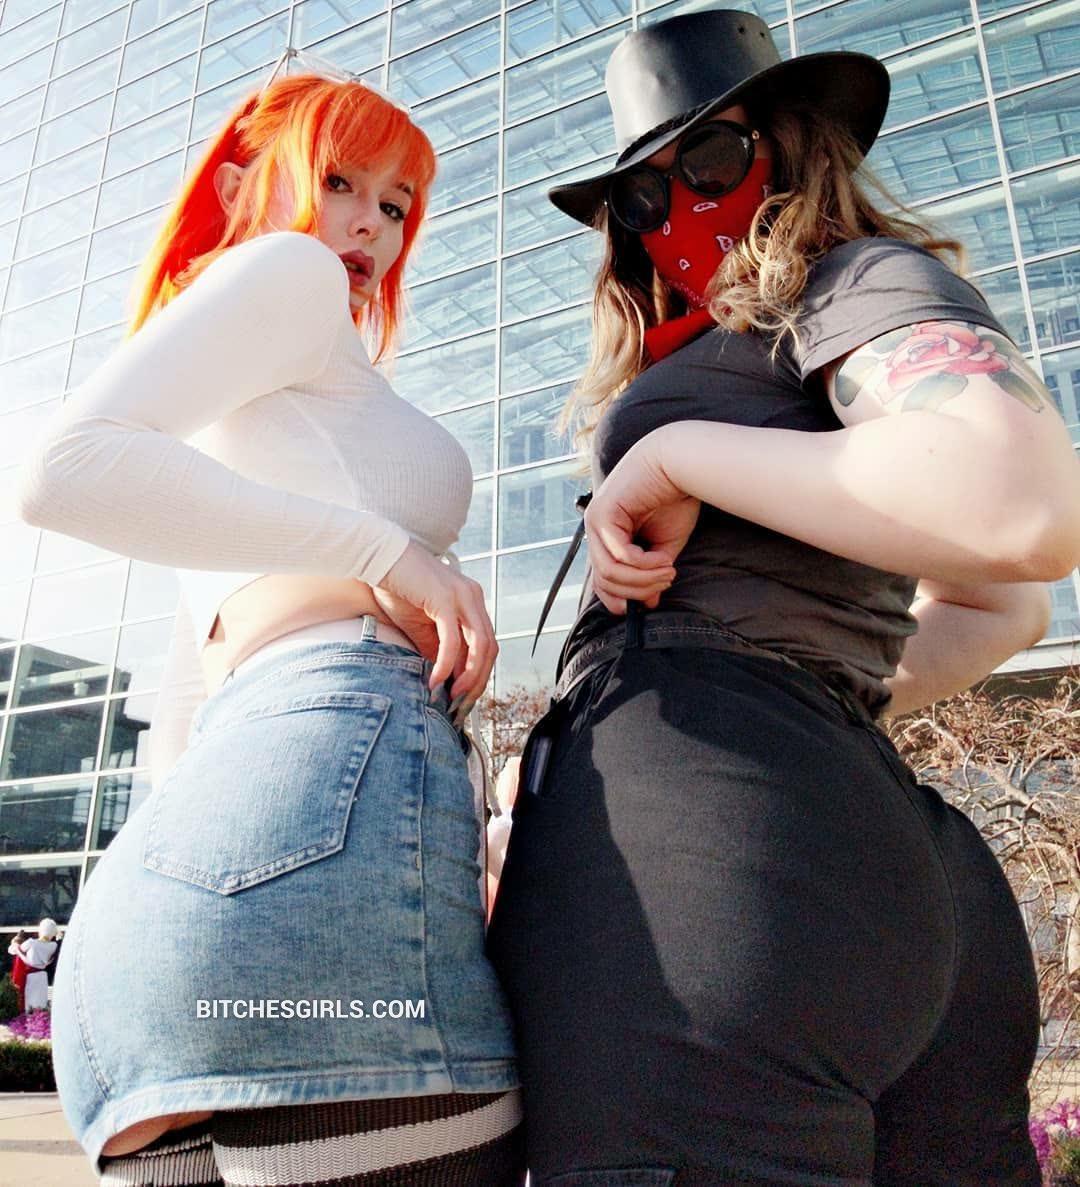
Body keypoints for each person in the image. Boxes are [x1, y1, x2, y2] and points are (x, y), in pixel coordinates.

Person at [486, 10, 1080, 1186]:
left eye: (710, 160)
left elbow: (1021, 507)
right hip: (831, 836)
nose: (678, 213)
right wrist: (794, 700)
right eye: (641, 199)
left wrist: (677, 459)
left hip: (719, 868)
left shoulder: (851, 277)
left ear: (797, 147)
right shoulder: (748, 343)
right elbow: (1002, 611)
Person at [16, 47, 523, 1187]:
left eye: (397, 204)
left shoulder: (249, 410)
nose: (369, 223)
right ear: (244, 184)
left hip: (161, 912)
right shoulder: (288, 273)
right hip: (317, 837)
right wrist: (385, 550)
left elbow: (187, 701)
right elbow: (58, 472)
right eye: (339, 180)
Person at [18, 919, 59, 1013]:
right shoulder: (53, 945)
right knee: (41, 1003)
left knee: (29, 1003)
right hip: (42, 977)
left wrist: (15, 945)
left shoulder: (31, 942)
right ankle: (39, 1020)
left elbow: (17, 951)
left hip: (31, 977)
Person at [6, 929, 31, 1014]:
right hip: (20, 978)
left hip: (20, 978)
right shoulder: (21, 953)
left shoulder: (20, 952)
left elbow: (12, 948)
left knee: (21, 997)